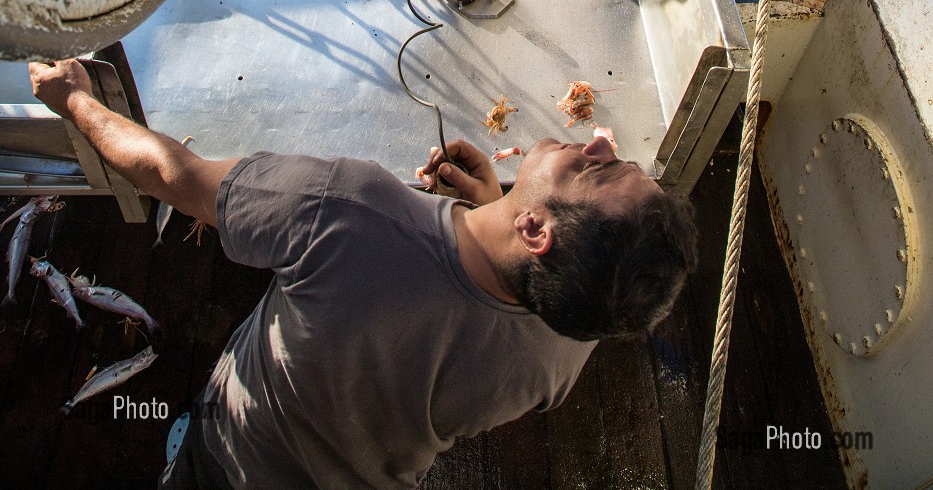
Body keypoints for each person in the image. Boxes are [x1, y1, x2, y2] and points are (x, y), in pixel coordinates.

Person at [30, 58, 697, 490]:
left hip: (235, 465)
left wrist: (78, 103)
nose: (601, 141)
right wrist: (496, 206)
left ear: (536, 231)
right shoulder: (573, 334)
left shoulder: (346, 211)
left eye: (599, 168)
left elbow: (170, 175)